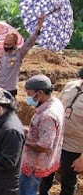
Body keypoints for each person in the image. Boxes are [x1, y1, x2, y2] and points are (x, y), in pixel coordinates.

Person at [19, 75, 64, 195]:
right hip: (46, 160)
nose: (28, 97)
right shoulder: (56, 102)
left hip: (34, 164)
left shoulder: (47, 115)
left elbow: (44, 146)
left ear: (39, 93)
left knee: (27, 191)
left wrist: (24, 141)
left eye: (29, 93)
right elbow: (46, 133)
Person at [0, 16, 45, 97]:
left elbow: (30, 42)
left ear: (15, 44)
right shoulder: (0, 54)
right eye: (5, 44)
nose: (6, 46)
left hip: (11, 90)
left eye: (9, 44)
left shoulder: (19, 55)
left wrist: (39, 26)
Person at [48, 67, 83, 195]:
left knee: (68, 184)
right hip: (55, 141)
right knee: (46, 177)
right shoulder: (71, 86)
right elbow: (54, 106)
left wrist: (82, 158)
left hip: (74, 148)